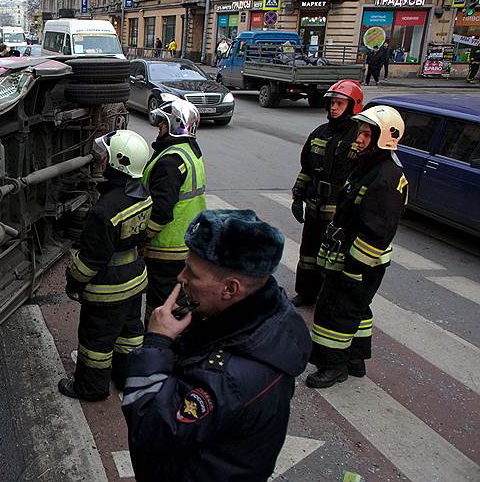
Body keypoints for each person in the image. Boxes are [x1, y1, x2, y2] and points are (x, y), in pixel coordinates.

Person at [121, 209, 311, 481]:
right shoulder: (253, 317)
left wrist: (157, 343)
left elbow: (153, 430)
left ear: (231, 289)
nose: (181, 277)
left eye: (193, 273)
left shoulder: (230, 377)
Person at [306, 106, 407, 388]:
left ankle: (333, 366)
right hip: (354, 257)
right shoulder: (371, 166)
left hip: (360, 261)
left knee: (335, 310)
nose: (358, 139)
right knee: (357, 309)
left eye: (365, 134)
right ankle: (354, 360)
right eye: (360, 133)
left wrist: (353, 269)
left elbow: (377, 233)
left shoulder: (384, 178)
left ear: (383, 138)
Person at [60, 130, 154, 401]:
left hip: (107, 289)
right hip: (135, 281)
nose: (102, 161)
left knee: (96, 343)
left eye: (106, 156)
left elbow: (91, 261)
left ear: (118, 162)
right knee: (130, 333)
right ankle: (127, 377)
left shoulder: (104, 211)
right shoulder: (143, 194)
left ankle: (90, 388)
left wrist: (73, 282)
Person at [289, 80, 363, 307]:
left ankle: (328, 297)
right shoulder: (319, 133)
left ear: (352, 106)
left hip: (338, 209)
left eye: (340, 103)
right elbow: (306, 169)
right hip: (314, 204)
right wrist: (298, 197)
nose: (334, 108)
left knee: (333, 255)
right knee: (308, 253)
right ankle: (305, 292)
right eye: (332, 103)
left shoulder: (358, 137)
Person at [141, 100, 206, 325]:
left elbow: (160, 211)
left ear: (174, 124)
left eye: (163, 123)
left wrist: (142, 238)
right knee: (178, 299)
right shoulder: (190, 151)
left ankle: (158, 344)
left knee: (161, 304)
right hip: (187, 242)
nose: (159, 126)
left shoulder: (170, 160)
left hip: (166, 248)